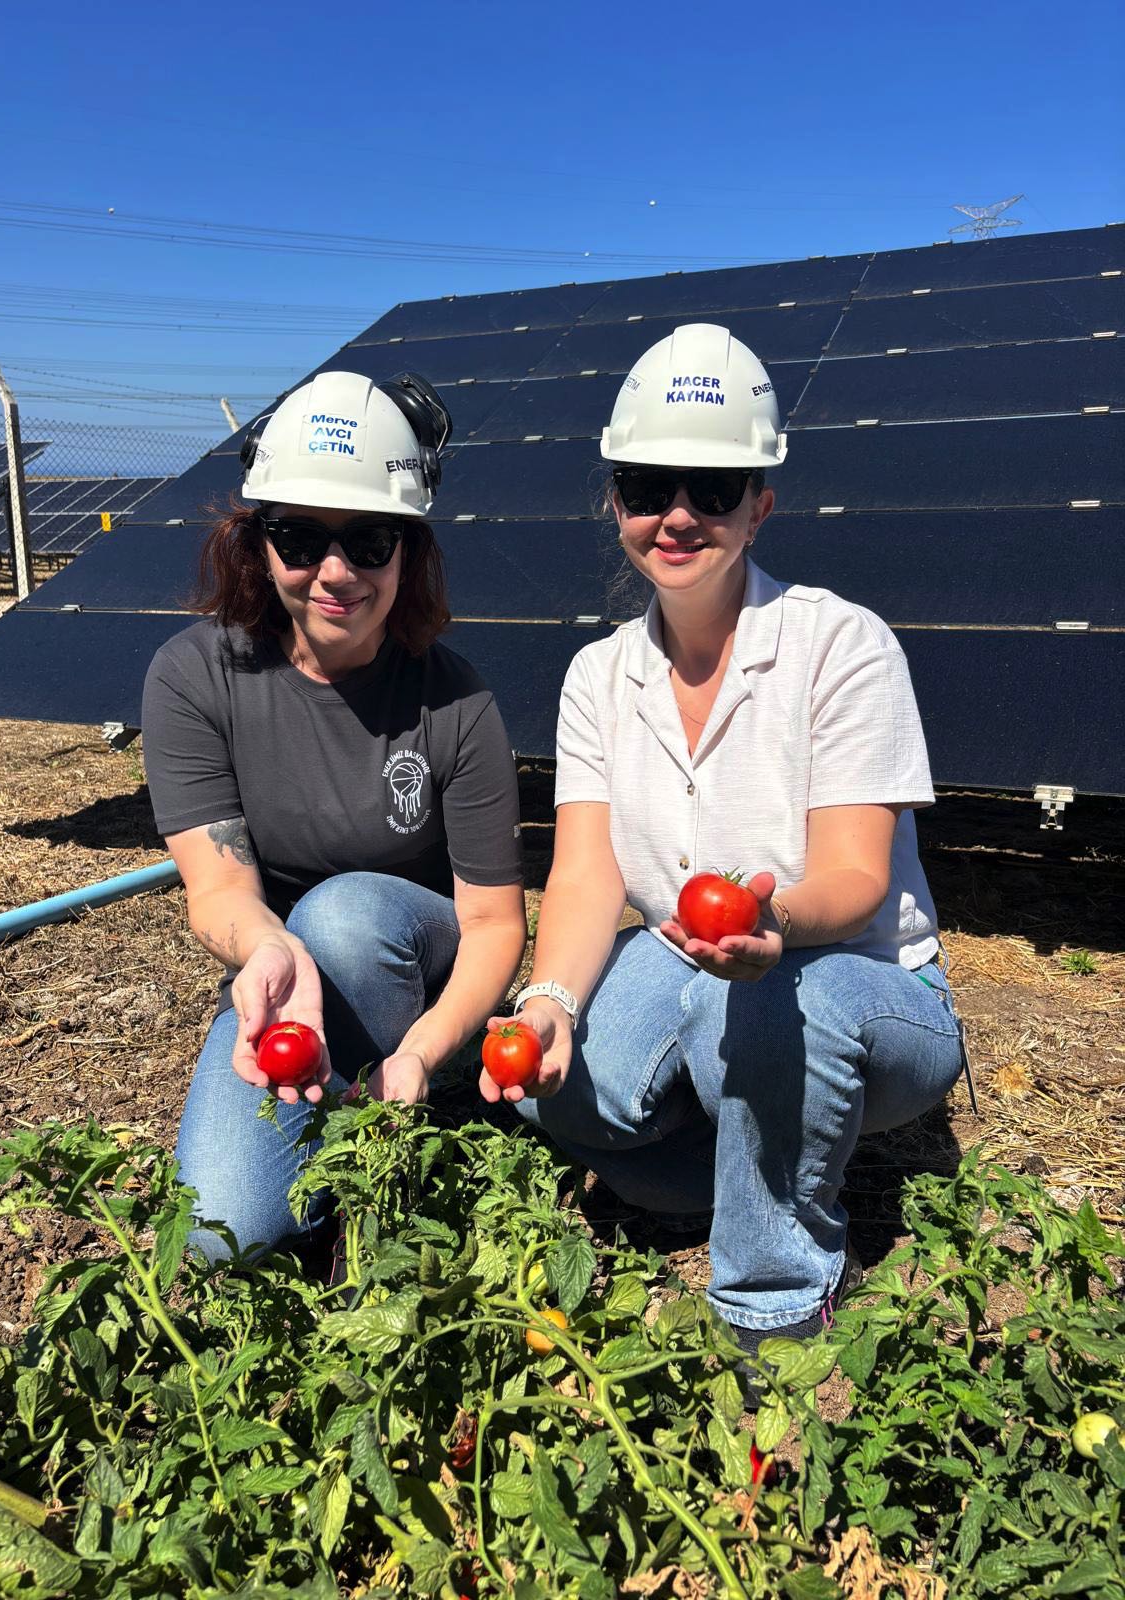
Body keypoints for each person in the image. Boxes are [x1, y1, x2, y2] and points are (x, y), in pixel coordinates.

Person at [480, 323, 964, 1364]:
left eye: (714, 487)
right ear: (615, 500)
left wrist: (768, 917)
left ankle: (773, 1310)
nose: (679, 516)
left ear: (761, 503)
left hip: (862, 979)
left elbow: (853, 879)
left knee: (771, 1007)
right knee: (569, 1093)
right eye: (650, 485)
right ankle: (760, 1154)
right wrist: (551, 1002)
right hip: (684, 956)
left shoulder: (841, 644)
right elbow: (585, 872)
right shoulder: (599, 678)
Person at [142, 370, 526, 1262]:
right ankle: (324, 1161)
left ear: (411, 549)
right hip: (299, 980)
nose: (336, 572)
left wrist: (425, 1053)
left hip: (423, 966)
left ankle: (386, 1143)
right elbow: (221, 888)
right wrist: (273, 954)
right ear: (257, 542)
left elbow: (495, 923)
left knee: (349, 909)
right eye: (300, 538)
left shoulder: (455, 702)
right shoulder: (193, 677)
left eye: (371, 541)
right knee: (217, 1234)